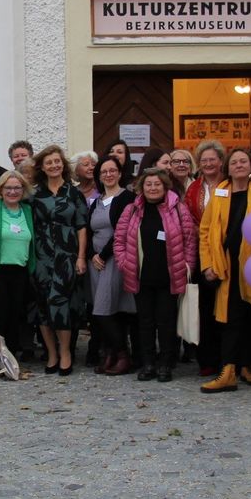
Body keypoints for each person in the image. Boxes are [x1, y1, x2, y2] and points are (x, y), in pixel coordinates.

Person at [114, 169, 196, 382]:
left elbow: (189, 241)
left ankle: (166, 364)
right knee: (145, 322)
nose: (152, 188)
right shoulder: (132, 210)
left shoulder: (178, 209)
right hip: (141, 276)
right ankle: (148, 363)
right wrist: (124, 262)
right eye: (148, 184)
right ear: (141, 187)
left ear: (165, 186)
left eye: (157, 184)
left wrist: (187, 266)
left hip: (169, 275)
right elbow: (119, 240)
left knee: (167, 322)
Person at [198, 148, 251, 393]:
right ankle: (228, 371)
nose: (239, 165)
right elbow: (205, 231)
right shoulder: (219, 194)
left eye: (243, 161)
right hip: (225, 265)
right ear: (227, 167)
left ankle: (247, 365)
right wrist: (207, 264)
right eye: (234, 162)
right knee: (230, 317)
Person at [28, 145, 89, 375]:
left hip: (67, 255)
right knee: (43, 304)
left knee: (60, 301)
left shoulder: (74, 193)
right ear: (42, 168)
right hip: (42, 256)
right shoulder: (34, 195)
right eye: (49, 162)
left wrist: (81, 257)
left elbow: (82, 226)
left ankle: (66, 352)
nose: (54, 165)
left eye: (57, 161)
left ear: (63, 165)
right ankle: (51, 353)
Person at [0, 171, 36, 365]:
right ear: (0, 190)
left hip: (20, 271)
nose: (12, 191)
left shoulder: (27, 210)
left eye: (17, 187)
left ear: (23, 189)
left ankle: (10, 357)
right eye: (8, 188)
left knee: (15, 315)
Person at [87, 156, 137, 375]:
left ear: (119, 173)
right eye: (103, 171)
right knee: (103, 309)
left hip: (113, 259)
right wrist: (91, 255)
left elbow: (123, 229)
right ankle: (111, 354)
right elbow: (88, 231)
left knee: (104, 310)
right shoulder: (97, 201)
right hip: (95, 263)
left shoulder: (127, 197)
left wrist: (104, 255)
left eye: (112, 170)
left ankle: (123, 355)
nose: (108, 174)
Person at [185, 140, 228, 376]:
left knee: (227, 306)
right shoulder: (193, 189)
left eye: (212, 159)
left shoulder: (230, 185)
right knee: (205, 308)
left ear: (221, 161)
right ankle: (207, 359)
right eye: (204, 160)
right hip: (202, 253)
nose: (208, 163)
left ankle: (229, 359)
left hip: (227, 251)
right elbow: (189, 219)